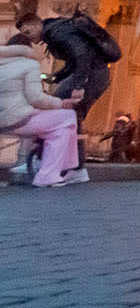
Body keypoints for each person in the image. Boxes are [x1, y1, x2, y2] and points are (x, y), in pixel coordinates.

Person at [0, 21, 86, 186]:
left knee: (62, 124)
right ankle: (53, 173)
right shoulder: (29, 65)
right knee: (68, 117)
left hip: (4, 121)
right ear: (28, 48)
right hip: (17, 120)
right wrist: (61, 103)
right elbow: (36, 98)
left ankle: (58, 169)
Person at [39, 10, 115, 122]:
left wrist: (78, 86)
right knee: (71, 114)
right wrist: (53, 78)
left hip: (92, 74)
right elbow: (73, 64)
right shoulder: (62, 32)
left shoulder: (59, 33)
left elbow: (82, 56)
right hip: (96, 74)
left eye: (28, 33)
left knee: (63, 109)